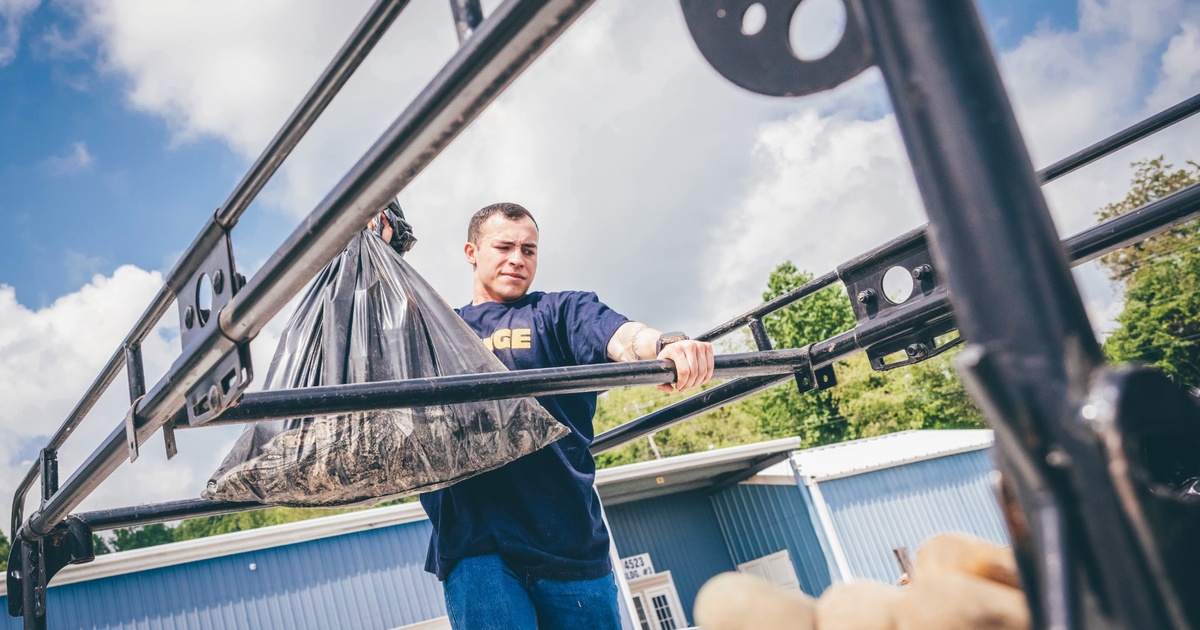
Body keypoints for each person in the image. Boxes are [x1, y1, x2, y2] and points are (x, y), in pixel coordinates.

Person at [419, 202, 716, 630]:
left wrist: (668, 344)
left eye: (529, 250)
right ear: (471, 252)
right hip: (477, 545)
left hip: (569, 540)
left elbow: (623, 337)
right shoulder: (439, 329)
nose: (518, 259)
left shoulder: (560, 312)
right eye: (504, 246)